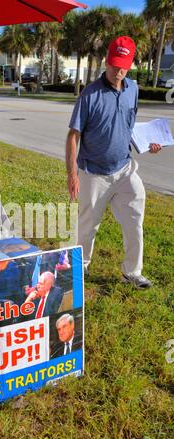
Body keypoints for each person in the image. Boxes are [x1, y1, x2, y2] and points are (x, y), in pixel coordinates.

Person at [66, 36, 162, 289]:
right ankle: (81, 266)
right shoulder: (89, 94)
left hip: (125, 169)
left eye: (124, 65)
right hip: (93, 173)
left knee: (134, 220)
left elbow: (129, 126)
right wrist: (72, 174)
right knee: (88, 226)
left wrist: (147, 143)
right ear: (107, 60)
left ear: (130, 64)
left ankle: (132, 272)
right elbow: (73, 135)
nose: (119, 71)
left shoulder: (133, 89)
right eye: (115, 64)